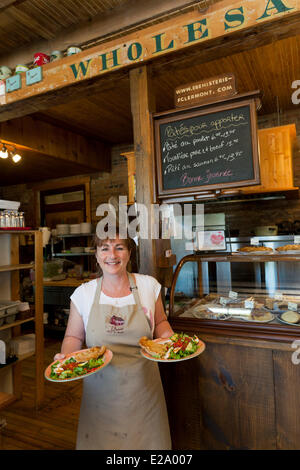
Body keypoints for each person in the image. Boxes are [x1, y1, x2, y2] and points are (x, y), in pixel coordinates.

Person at [54, 230, 173, 450]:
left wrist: (170, 341)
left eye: (119, 247)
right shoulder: (84, 294)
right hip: (100, 393)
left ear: (129, 253)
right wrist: (67, 357)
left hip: (144, 390)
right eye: (105, 248)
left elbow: (162, 322)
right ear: (97, 254)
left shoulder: (149, 286)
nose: (112, 254)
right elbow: (73, 336)